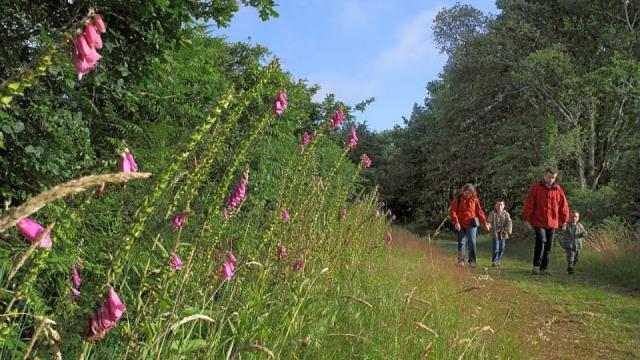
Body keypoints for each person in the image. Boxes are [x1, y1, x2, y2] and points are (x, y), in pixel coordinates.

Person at [522, 167, 570, 275]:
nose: (551, 179)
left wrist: (564, 221)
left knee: (549, 245)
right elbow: (529, 204)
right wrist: (526, 219)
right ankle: (536, 266)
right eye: (549, 177)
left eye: (553, 178)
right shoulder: (536, 188)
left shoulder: (558, 190)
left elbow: (564, 206)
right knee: (541, 241)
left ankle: (545, 267)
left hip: (552, 222)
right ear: (545, 175)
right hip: (538, 221)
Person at [450, 183, 490, 268]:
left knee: (472, 242)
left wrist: (485, 223)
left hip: (472, 224)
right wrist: (456, 222)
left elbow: (479, 211)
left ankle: (472, 261)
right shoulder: (458, 198)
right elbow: (453, 211)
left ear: (472, 193)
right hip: (460, 224)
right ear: (463, 192)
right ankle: (461, 260)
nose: (467, 195)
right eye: (466, 193)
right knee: (461, 242)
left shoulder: (475, 199)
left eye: (469, 193)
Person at [487, 200, 512, 267]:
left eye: (501, 205)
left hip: (503, 233)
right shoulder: (493, 213)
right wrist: (488, 225)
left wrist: (508, 230)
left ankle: (498, 260)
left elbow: (509, 222)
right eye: (498, 205)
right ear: (495, 206)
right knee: (496, 248)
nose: (499, 206)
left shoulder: (506, 214)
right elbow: (489, 221)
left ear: (503, 206)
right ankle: (494, 261)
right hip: (495, 233)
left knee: (502, 248)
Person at [561, 211, 586, 275]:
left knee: (576, 257)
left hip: (577, 245)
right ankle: (570, 267)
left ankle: (571, 266)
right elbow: (563, 229)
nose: (574, 218)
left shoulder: (580, 225)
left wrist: (583, 234)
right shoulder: (567, 225)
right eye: (573, 216)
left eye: (576, 217)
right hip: (569, 244)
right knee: (571, 256)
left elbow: (584, 232)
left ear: (578, 218)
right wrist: (562, 226)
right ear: (570, 217)